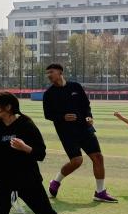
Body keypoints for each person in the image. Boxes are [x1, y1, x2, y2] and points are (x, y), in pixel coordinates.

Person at [42, 63, 117, 202]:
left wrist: (89, 116)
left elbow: (85, 105)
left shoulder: (75, 86)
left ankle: (100, 192)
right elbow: (48, 114)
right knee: (77, 161)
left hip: (84, 128)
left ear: (60, 72)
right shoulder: (49, 94)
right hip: (66, 132)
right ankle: (56, 181)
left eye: (51, 72)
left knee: (98, 157)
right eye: (47, 73)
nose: (49, 75)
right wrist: (63, 117)